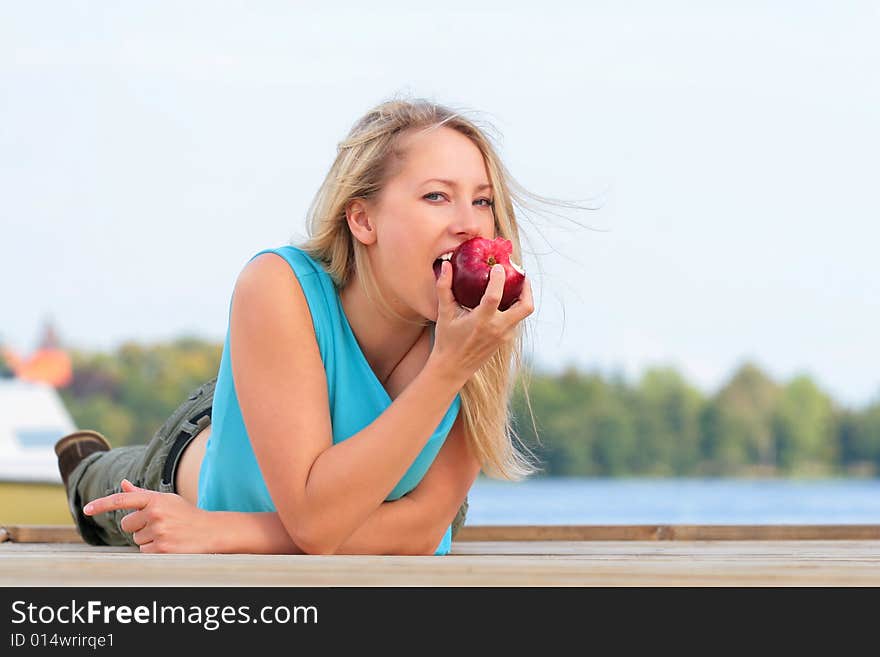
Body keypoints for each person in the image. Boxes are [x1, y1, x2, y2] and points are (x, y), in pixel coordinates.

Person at [55, 97, 538, 555]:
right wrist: (448, 370)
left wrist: (222, 533)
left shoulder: (480, 329)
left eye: (482, 201)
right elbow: (323, 526)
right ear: (363, 219)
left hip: (273, 508)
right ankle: (86, 467)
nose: (470, 225)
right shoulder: (277, 286)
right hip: (209, 452)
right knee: (111, 492)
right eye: (436, 196)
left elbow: (420, 527)